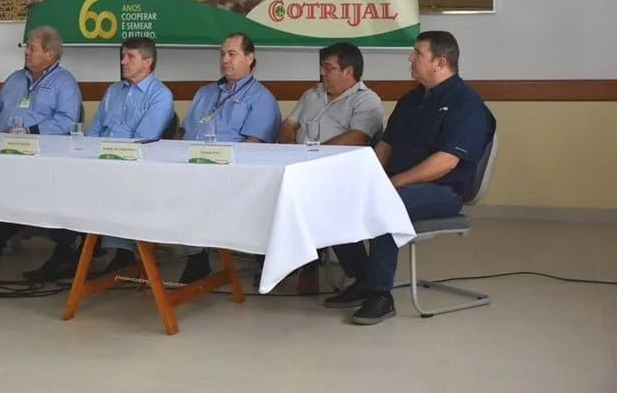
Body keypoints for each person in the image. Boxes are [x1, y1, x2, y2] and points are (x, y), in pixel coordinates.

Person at [322, 30, 492, 325]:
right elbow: (385, 147)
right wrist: (365, 179)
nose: (410, 58)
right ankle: (362, 276)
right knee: (334, 197)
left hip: (444, 190)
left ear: (440, 63)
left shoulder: (466, 103)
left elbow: (446, 162)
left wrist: (393, 183)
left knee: (384, 203)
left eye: (417, 53)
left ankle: (380, 295)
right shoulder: (411, 100)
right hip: (397, 183)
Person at [23, 36, 174, 282]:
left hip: (131, 166)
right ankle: (67, 250)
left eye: (130, 57)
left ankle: (114, 252)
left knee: (97, 184)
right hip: (99, 160)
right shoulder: (114, 90)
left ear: (148, 62)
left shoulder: (160, 96)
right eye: (122, 56)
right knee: (64, 177)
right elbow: (93, 132)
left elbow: (143, 140)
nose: (123, 62)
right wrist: (85, 155)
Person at [276, 42, 385, 294]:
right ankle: (279, 260)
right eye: (322, 67)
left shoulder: (366, 100)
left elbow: (358, 137)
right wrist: (290, 141)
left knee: (321, 202)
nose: (322, 73)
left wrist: (314, 154)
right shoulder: (312, 94)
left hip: (339, 172)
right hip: (296, 164)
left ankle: (343, 271)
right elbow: (289, 123)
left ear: (349, 72)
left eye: (328, 68)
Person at [172, 32, 281, 283]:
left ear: (250, 58)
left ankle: (203, 257)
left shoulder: (261, 98)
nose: (225, 60)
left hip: (230, 173)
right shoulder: (205, 93)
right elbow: (183, 131)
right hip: (187, 166)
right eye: (222, 54)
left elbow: (254, 145)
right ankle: (196, 258)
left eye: (232, 54)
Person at [0, 26, 82, 259]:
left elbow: (68, 120)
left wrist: (30, 131)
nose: (26, 52)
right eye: (26, 47)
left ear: (50, 54)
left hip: (37, 152)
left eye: (32, 48)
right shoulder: (15, 78)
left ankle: (21, 233)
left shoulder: (64, 82)